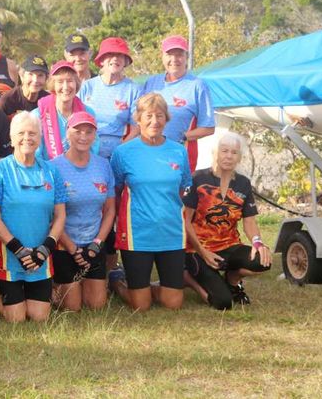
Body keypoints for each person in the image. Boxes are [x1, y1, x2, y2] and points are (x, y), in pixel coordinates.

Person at [109, 93, 192, 311]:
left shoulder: (178, 151)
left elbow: (182, 188)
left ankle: (153, 288)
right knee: (141, 306)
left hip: (171, 232)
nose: (154, 121)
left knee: (172, 303)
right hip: (137, 234)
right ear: (138, 118)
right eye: (148, 115)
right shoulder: (123, 152)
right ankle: (118, 282)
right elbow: (117, 190)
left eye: (160, 116)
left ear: (167, 119)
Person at [0, 112, 66, 322]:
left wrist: (46, 248)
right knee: (16, 320)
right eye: (21, 133)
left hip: (40, 256)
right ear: (11, 138)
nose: (27, 138)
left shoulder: (52, 172)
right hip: (9, 254)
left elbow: (60, 215)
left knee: (38, 318)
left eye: (32, 133)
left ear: (40, 138)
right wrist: (18, 249)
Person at [183, 132, 272, 309]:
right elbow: (185, 221)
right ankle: (188, 278)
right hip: (198, 249)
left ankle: (232, 280)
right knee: (223, 303)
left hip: (229, 245)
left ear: (239, 157)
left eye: (234, 152)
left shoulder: (243, 183)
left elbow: (249, 221)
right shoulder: (197, 179)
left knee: (262, 261)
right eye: (224, 151)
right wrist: (202, 252)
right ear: (214, 153)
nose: (229, 156)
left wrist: (257, 243)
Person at [50, 112, 115, 311]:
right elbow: (52, 216)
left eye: (89, 132)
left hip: (94, 243)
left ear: (95, 135)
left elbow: (110, 209)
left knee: (96, 305)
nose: (83, 136)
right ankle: (50, 287)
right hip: (65, 243)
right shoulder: (54, 167)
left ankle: (114, 280)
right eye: (77, 131)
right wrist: (72, 248)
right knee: (72, 307)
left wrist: (97, 244)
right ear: (67, 133)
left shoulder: (103, 165)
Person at [142, 35, 215, 171]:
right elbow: (138, 119)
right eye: (169, 54)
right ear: (162, 56)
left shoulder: (197, 85)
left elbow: (209, 128)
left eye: (179, 55)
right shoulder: (151, 83)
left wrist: (182, 137)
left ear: (186, 57)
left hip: (178, 159)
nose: (174, 59)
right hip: (149, 156)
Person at [78, 37, 141, 159]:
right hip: (86, 150)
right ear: (101, 60)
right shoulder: (87, 86)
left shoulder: (133, 90)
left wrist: (120, 149)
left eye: (120, 55)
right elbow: (72, 120)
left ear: (125, 61)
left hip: (117, 153)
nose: (115, 58)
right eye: (110, 54)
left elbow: (137, 127)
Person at [32, 61, 98, 160]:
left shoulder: (88, 113)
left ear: (76, 83)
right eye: (60, 81)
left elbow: (94, 147)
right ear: (53, 85)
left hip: (80, 170)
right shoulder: (37, 115)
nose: (66, 87)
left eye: (70, 81)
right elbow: (35, 153)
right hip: (48, 170)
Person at [0, 54, 49, 118]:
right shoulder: (8, 100)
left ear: (46, 78)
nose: (35, 80)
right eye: (31, 74)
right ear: (22, 76)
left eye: (40, 75)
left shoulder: (49, 101)